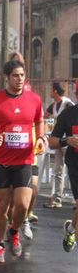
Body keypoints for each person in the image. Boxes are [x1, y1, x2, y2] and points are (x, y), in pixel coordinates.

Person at [0, 60, 45, 263]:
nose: (19, 79)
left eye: (22, 75)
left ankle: (14, 231)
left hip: (24, 160)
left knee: (23, 205)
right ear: (7, 77)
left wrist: (40, 137)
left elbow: (39, 121)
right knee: (3, 206)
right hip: (0, 162)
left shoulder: (34, 99)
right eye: (15, 76)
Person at [48, 87, 78, 252]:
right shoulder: (68, 115)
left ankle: (71, 229)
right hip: (76, 165)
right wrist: (68, 140)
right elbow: (52, 141)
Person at [43, 82, 74, 208]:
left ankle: (74, 197)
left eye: (51, 90)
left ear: (55, 91)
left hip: (69, 141)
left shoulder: (68, 104)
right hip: (58, 141)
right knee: (58, 170)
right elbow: (44, 116)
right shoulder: (54, 105)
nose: (49, 92)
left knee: (73, 169)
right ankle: (57, 197)